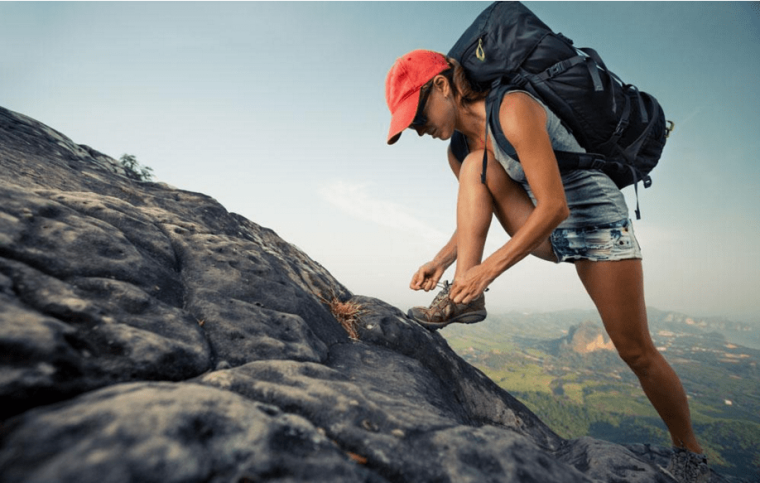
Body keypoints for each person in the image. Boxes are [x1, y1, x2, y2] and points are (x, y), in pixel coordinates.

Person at [385, 49, 709, 483]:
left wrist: (488, 271)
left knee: (635, 349)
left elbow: (555, 206)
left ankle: (690, 453)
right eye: (409, 126)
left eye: (417, 116)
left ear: (442, 86)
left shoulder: (514, 108)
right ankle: (466, 298)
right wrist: (442, 262)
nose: (418, 130)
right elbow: (475, 209)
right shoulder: (459, 149)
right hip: (539, 224)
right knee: (474, 169)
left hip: (592, 220)